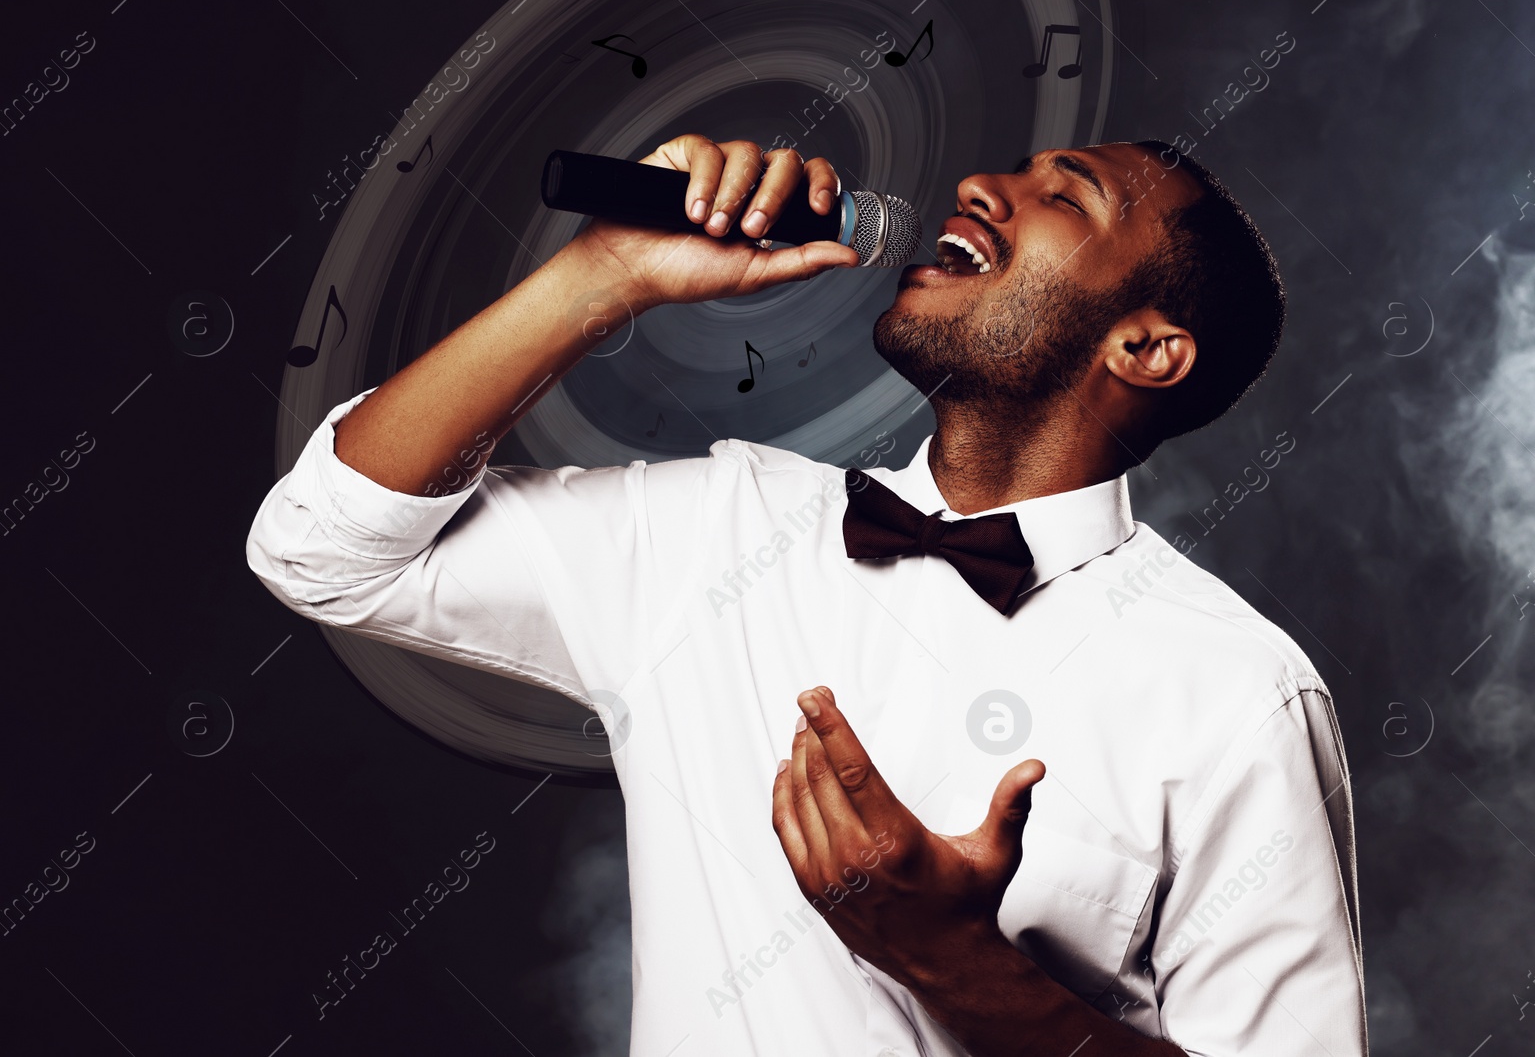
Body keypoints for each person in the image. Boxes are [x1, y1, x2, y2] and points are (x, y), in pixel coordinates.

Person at [246, 134, 1365, 1056]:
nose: (986, 184)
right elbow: (323, 550)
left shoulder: (1237, 692)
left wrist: (950, 956)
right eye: (1014, 171)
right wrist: (606, 277)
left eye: (1064, 195)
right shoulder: (721, 529)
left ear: (1148, 347)